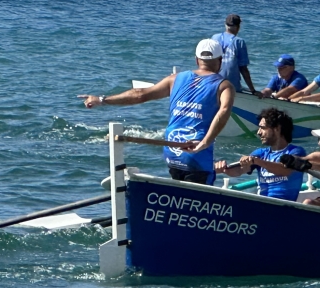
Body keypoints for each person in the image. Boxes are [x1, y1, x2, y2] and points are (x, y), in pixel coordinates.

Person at [79, 38, 235, 185]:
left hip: (172, 151)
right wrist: (205, 143)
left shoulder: (175, 79)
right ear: (220, 61)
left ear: (196, 60)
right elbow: (224, 111)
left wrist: (102, 99)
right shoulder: (224, 86)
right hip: (197, 154)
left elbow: (139, 94)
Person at [215, 107, 306, 200]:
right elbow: (239, 170)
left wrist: (258, 162)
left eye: (263, 128)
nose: (258, 132)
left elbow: (285, 170)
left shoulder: (296, 152)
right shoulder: (260, 153)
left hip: (284, 206)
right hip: (263, 203)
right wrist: (224, 169)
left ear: (277, 129)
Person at [213, 14, 256, 94]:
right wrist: (253, 90)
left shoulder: (215, 37)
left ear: (225, 24)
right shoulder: (239, 42)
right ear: (238, 27)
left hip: (213, 83)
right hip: (231, 87)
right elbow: (243, 69)